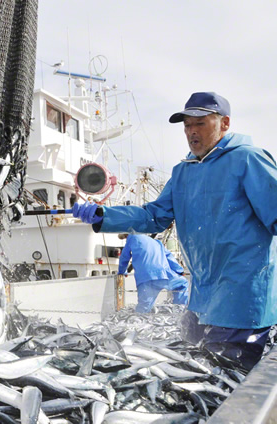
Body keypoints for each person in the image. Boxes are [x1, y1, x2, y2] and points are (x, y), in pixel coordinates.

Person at [73, 92, 277, 371]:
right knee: (188, 369)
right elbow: (153, 216)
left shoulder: (249, 160)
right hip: (201, 299)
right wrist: (103, 215)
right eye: (187, 125)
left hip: (240, 302)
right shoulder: (182, 172)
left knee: (221, 378)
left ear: (225, 123)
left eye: (200, 124)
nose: (192, 132)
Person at [117, 233, 188, 313]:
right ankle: (179, 311)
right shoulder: (157, 242)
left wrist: (122, 272)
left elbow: (124, 258)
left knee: (143, 309)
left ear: (126, 235)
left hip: (146, 279)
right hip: (164, 275)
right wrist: (180, 271)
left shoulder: (132, 238)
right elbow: (169, 257)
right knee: (182, 284)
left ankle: (137, 323)